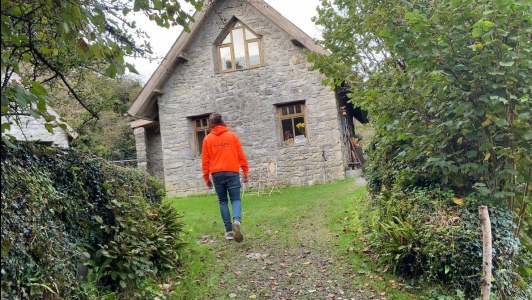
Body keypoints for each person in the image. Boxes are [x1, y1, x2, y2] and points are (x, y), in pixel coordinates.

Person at [202, 113, 249, 242]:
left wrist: (206, 178)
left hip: (216, 174)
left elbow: (205, 161)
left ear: (211, 124)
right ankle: (237, 221)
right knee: (235, 199)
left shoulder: (207, 139)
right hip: (232, 172)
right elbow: (240, 155)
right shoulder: (232, 136)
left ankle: (228, 232)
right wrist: (245, 171)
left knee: (223, 201)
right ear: (222, 121)